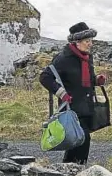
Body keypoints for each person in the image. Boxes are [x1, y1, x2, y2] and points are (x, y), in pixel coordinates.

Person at [39, 22, 106, 164]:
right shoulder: (63, 58)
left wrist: (96, 80)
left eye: (91, 41)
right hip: (72, 107)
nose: (90, 44)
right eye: (87, 41)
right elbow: (45, 77)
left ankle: (70, 170)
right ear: (77, 42)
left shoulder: (87, 57)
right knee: (82, 139)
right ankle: (76, 169)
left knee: (77, 140)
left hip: (87, 106)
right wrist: (62, 93)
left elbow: (85, 80)